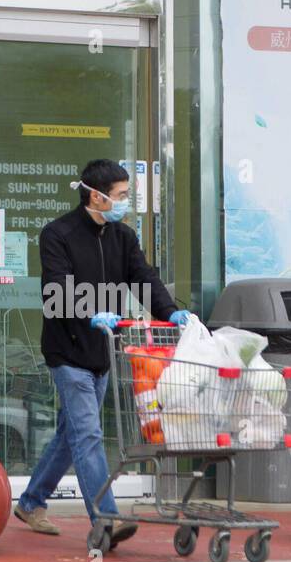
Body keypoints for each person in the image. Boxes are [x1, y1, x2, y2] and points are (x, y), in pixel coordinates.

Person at [15, 159, 190, 541]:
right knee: (89, 434)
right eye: (121, 195)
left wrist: (171, 311)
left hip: (102, 353)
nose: (127, 201)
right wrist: (92, 312)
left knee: (71, 434)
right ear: (96, 196)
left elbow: (144, 278)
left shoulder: (122, 238)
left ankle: (30, 502)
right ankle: (106, 517)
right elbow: (56, 287)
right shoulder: (57, 234)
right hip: (67, 350)